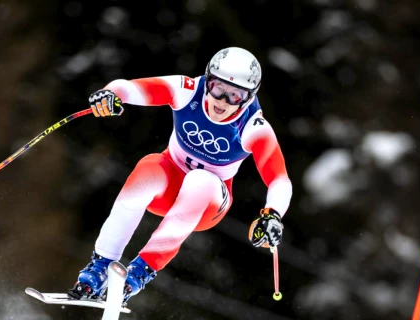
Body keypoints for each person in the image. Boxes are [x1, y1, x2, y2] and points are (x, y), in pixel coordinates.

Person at [69, 47, 292, 305]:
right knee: (148, 166)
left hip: (206, 203)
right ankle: (99, 267)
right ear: (207, 79)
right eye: (218, 88)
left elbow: (279, 179)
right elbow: (130, 88)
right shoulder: (188, 90)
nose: (222, 101)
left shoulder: (253, 126)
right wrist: (110, 94)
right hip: (168, 184)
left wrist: (272, 214)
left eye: (235, 96)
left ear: (249, 97)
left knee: (200, 180)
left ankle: (139, 273)